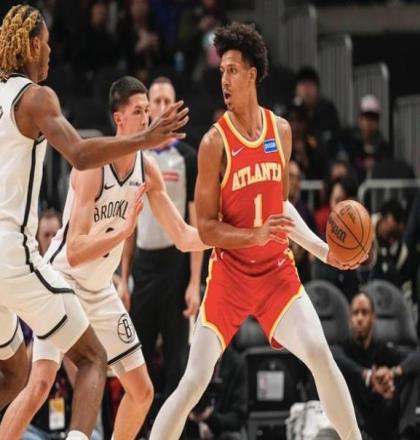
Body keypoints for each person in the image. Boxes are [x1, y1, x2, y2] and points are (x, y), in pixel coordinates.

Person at [0, 4, 188, 440]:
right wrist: (146, 138)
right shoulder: (37, 97)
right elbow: (78, 153)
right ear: (31, 46)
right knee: (92, 358)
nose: (51, 52)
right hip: (11, 251)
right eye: (46, 43)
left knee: (14, 376)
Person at [150, 22, 363, 440]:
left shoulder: (279, 131)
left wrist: (325, 251)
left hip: (275, 273)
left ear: (252, 75)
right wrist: (252, 235)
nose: (224, 80)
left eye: (232, 71)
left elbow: (280, 209)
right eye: (221, 72)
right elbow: (206, 227)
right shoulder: (214, 143)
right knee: (194, 382)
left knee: (320, 353)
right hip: (229, 276)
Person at [0, 76, 207, 440]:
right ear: (118, 119)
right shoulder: (93, 166)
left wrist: (231, 234)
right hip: (62, 281)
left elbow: (184, 237)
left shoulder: (147, 170)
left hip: (100, 290)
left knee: (142, 391)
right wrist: (121, 233)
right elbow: (75, 250)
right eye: (138, 111)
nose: (147, 118)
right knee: (40, 383)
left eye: (148, 111)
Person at [120, 76, 202, 401]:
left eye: (169, 100)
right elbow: (129, 226)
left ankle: (174, 426)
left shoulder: (188, 157)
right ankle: (141, 425)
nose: (163, 106)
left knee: (176, 360)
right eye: (157, 101)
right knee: (137, 358)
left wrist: (194, 282)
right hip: (143, 264)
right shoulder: (134, 154)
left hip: (175, 264)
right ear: (148, 108)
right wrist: (124, 279)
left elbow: (195, 224)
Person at [332, 292, 420, 440]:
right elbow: (331, 355)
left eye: (364, 312)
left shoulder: (381, 349)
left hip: (384, 418)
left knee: (412, 372)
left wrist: (393, 373)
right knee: (334, 371)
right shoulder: (343, 349)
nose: (360, 318)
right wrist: (368, 375)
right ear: (350, 319)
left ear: (373, 318)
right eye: (355, 313)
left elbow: (416, 357)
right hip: (355, 423)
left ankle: (406, 435)